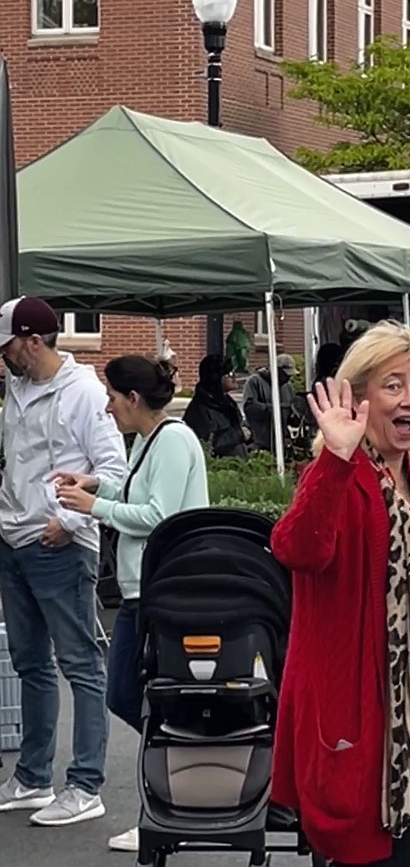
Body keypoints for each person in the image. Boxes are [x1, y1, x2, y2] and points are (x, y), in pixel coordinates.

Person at [270, 321, 410, 865]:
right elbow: (296, 548)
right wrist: (335, 460)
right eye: (393, 385)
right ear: (358, 397)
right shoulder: (344, 473)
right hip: (368, 731)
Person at [54, 354, 210, 853]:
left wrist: (94, 507)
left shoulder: (172, 441)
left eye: (113, 398)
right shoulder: (152, 439)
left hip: (163, 593)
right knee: (130, 695)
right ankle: (175, 795)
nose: (107, 406)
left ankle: (165, 809)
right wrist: (96, 484)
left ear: (134, 399)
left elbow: (158, 515)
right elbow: (139, 492)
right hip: (146, 592)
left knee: (139, 697)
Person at [0, 297, 127, 826]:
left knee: (80, 664)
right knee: (31, 663)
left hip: (59, 544)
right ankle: (33, 777)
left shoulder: (84, 394)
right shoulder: (18, 388)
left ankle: (85, 784)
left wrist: (72, 523)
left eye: (7, 347)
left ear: (32, 342)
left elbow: (113, 467)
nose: (3, 358)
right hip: (14, 538)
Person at [183, 354, 250, 458]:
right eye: (229, 374)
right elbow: (209, 443)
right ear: (216, 378)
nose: (234, 377)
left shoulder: (226, 402)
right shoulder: (201, 409)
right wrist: (239, 434)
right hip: (219, 468)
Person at [242, 354, 298, 452]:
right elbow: (249, 408)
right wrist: (273, 408)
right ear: (276, 370)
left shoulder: (288, 387)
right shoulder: (254, 382)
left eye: (290, 376)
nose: (288, 379)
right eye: (285, 375)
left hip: (280, 443)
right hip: (258, 441)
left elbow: (290, 414)